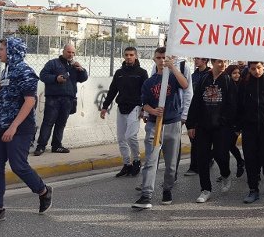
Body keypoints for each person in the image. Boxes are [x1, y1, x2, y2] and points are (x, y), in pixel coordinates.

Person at [0, 38, 53, 225]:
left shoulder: (26, 72)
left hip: (20, 128)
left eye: (2, 49)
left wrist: (14, 126)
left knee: (18, 165)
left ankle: (43, 191)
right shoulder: (6, 71)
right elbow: (8, 102)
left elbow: (30, 101)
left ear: (13, 51)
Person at [132, 47, 189, 209]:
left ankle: (167, 189)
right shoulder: (149, 82)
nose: (162, 60)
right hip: (154, 124)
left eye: (164, 57)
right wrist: (152, 111)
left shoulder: (173, 77)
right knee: (151, 160)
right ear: (154, 59)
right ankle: (146, 195)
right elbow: (144, 103)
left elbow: (185, 85)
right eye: (159, 58)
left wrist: (173, 67)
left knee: (171, 163)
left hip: (172, 123)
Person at [186, 57, 237, 204]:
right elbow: (196, 101)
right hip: (203, 125)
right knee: (202, 157)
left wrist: (227, 122)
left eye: (225, 61)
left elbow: (232, 105)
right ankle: (205, 189)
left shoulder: (228, 81)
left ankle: (225, 174)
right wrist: (191, 124)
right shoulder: (204, 79)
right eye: (220, 61)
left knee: (221, 154)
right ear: (213, 63)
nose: (223, 64)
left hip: (221, 127)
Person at [99, 47, 148, 177]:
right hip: (121, 107)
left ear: (136, 56)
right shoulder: (119, 73)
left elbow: (146, 92)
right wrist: (105, 107)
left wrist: (144, 109)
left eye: (131, 55)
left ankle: (136, 160)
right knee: (121, 138)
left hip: (135, 107)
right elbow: (112, 90)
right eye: (126, 55)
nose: (128, 57)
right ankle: (127, 164)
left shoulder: (142, 73)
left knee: (130, 136)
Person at [35, 43, 88, 155]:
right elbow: (43, 75)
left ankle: (56, 146)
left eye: (73, 52)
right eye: (68, 52)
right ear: (63, 51)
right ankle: (41, 146)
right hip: (53, 98)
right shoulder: (53, 63)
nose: (71, 54)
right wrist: (56, 78)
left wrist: (81, 69)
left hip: (68, 100)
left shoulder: (74, 66)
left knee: (61, 123)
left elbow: (83, 79)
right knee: (48, 122)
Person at [238, 61, 264, 203]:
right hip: (249, 125)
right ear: (249, 69)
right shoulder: (245, 81)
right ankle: (253, 189)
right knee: (250, 158)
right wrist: (238, 124)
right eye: (253, 69)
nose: (256, 71)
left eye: (259, 68)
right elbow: (239, 102)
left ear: (263, 66)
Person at [184, 57, 212, 177]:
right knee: (194, 139)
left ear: (205, 60)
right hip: (193, 110)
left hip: (205, 111)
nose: (196, 61)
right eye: (195, 59)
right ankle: (203, 161)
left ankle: (195, 166)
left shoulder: (209, 75)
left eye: (199, 59)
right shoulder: (193, 76)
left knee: (198, 141)